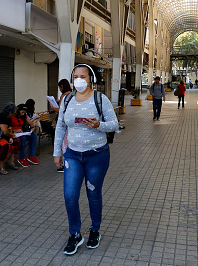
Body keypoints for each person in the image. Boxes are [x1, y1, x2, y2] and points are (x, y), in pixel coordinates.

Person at [53, 64, 119, 255]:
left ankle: (95, 229)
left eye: (83, 76)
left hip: (96, 155)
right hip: (72, 154)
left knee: (93, 194)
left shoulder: (101, 99)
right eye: (75, 77)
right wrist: (58, 152)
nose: (79, 80)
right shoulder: (67, 100)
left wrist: (99, 125)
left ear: (91, 79)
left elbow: (114, 125)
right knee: (70, 195)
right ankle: (75, 234)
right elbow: (60, 127)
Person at [0, 103, 21, 175]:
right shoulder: (1, 118)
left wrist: (11, 137)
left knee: (17, 141)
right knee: (5, 146)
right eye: (14, 113)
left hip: (2, 138)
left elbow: (9, 129)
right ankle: (1, 166)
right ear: (10, 113)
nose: (15, 115)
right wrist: (12, 135)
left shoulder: (9, 118)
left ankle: (11, 160)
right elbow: (5, 132)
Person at [51, 79, 73, 173]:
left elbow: (61, 111)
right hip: (70, 124)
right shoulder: (72, 95)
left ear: (62, 86)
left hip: (63, 123)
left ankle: (64, 164)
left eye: (59, 87)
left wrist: (52, 107)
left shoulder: (64, 96)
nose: (59, 89)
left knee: (64, 143)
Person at [12, 102, 40, 167]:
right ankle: (22, 158)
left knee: (34, 136)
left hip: (22, 133)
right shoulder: (12, 116)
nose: (23, 114)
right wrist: (15, 130)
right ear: (18, 111)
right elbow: (8, 128)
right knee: (23, 138)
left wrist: (32, 128)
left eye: (24, 112)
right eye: (22, 112)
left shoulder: (24, 116)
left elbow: (31, 124)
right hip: (14, 134)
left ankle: (32, 156)